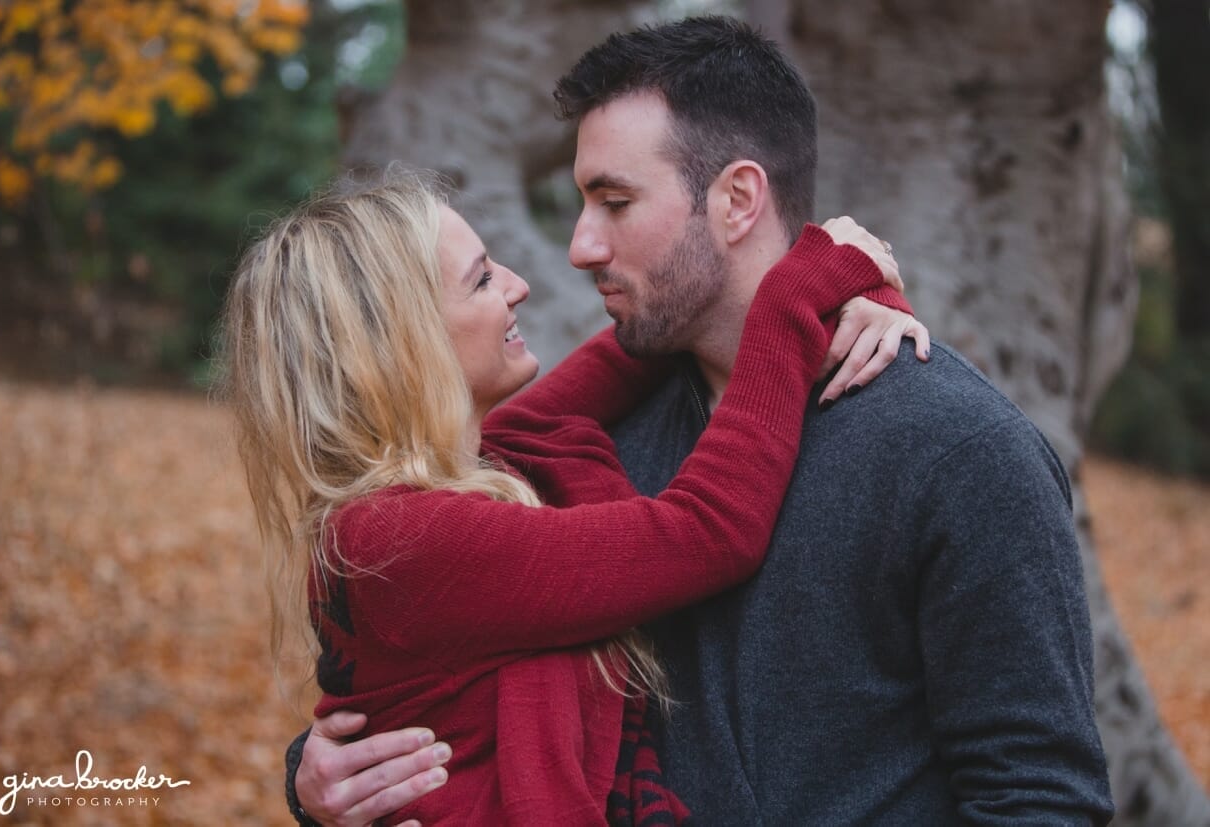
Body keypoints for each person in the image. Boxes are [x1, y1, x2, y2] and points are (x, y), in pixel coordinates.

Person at [288, 16, 1114, 826]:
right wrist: (316, 771)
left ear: (738, 199)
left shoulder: (957, 449)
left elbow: (1040, 796)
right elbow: (431, 672)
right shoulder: (574, 451)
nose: (577, 247)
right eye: (582, 201)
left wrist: (834, 284)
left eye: (614, 201)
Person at [224, 166, 920, 825]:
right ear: (403, 345)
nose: (519, 285)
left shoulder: (476, 464)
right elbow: (709, 529)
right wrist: (800, 288)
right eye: (482, 280)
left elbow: (664, 330)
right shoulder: (400, 538)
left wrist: (842, 290)